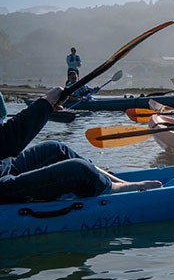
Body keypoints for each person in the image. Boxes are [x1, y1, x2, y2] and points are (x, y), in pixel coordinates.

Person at [1, 87, 162, 203]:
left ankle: (114, 181)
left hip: (6, 167)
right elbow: (8, 142)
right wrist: (46, 102)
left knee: (56, 149)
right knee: (78, 170)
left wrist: (45, 105)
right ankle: (111, 189)